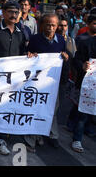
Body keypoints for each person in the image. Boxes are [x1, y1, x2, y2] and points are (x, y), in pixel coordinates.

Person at [0, 1, 34, 155]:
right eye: (10, 12)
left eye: (16, 13)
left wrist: (28, 55)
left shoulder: (21, 32)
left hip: (13, 79)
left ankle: (1, 138)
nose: (14, 15)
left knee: (6, 107)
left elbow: (24, 50)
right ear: (2, 12)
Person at [23, 14, 69, 152]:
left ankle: (50, 135)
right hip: (37, 83)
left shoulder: (61, 40)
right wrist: (29, 55)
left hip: (53, 83)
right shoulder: (35, 39)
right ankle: (31, 138)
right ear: (42, 25)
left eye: (53, 25)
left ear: (57, 26)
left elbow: (63, 58)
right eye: (48, 24)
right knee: (35, 109)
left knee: (52, 110)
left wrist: (65, 57)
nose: (50, 28)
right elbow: (27, 56)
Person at [70, 15, 96, 153]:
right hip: (86, 81)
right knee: (83, 111)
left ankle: (81, 127)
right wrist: (82, 66)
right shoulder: (82, 40)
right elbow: (75, 59)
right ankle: (77, 139)